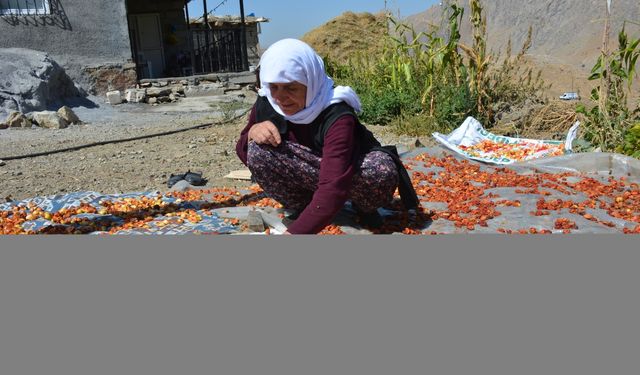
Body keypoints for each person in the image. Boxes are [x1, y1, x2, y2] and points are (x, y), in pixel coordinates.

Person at [236, 39, 418, 234]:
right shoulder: (268, 102)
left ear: (310, 82)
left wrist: (295, 234)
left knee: (379, 170)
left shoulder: (336, 114)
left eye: (291, 88)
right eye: (274, 87)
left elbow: (333, 184)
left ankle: (363, 208)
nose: (280, 97)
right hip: (312, 174)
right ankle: (305, 207)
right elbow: (243, 151)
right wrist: (252, 132)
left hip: (349, 175)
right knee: (257, 149)